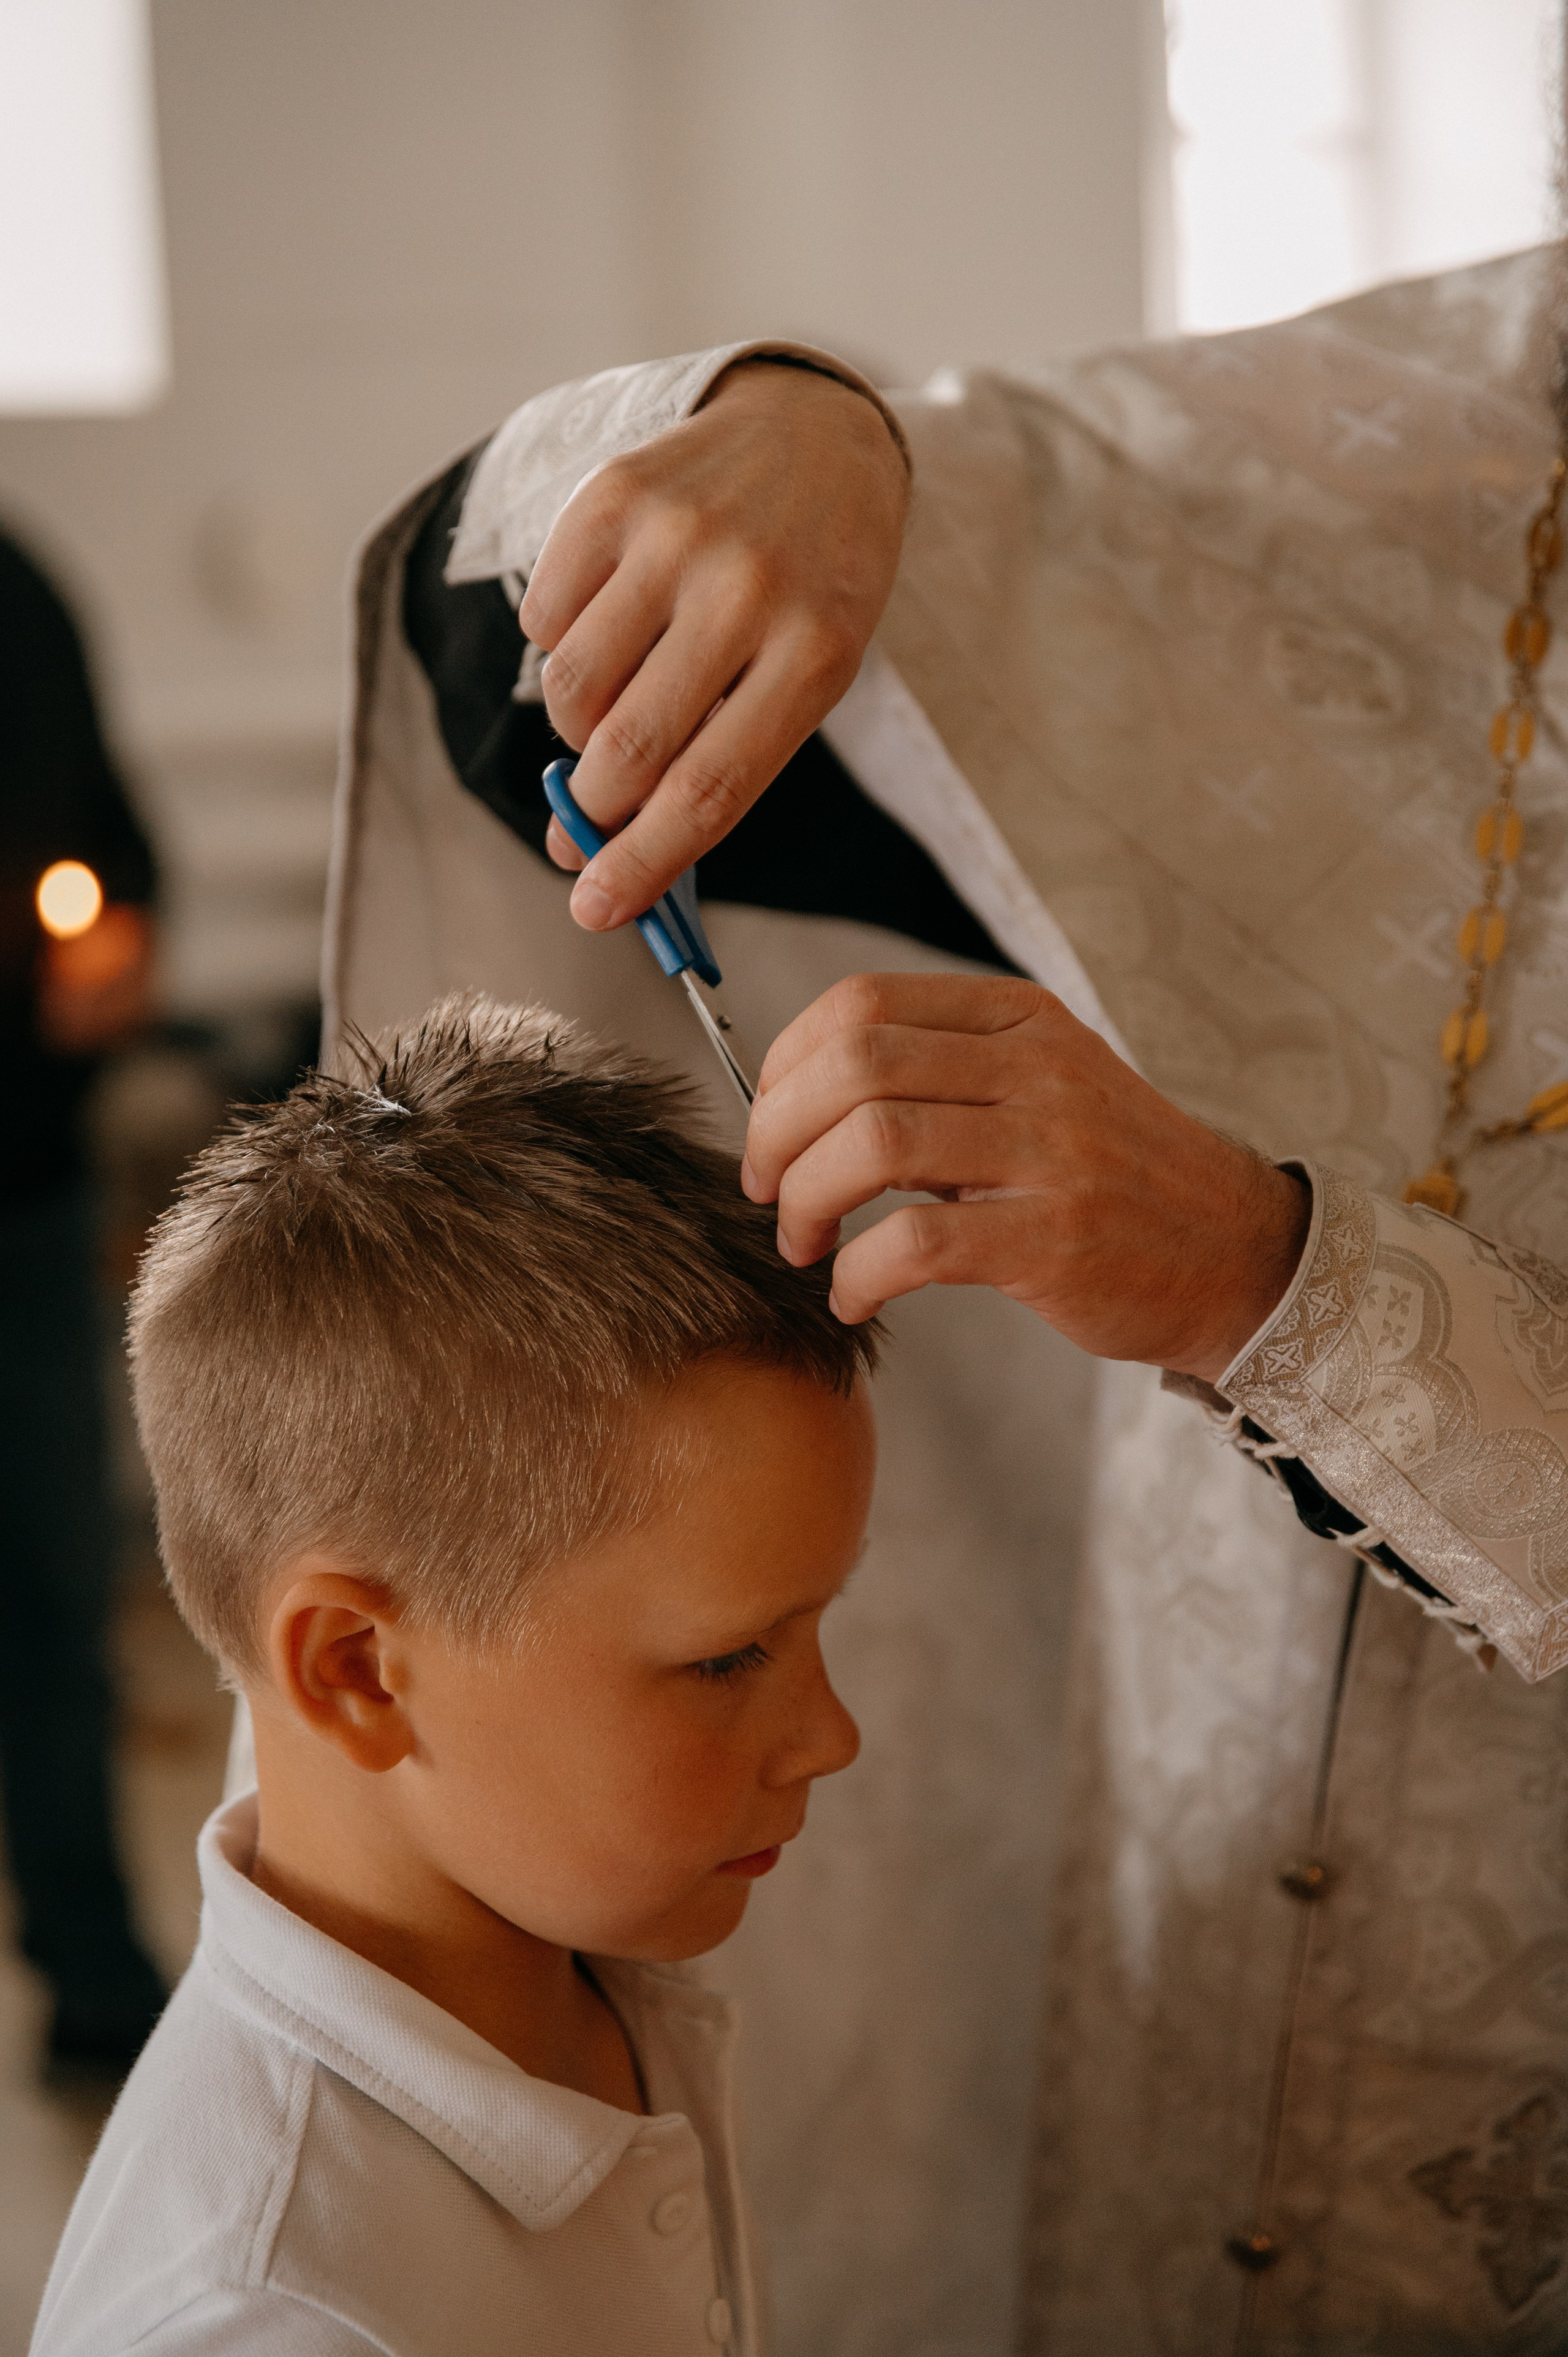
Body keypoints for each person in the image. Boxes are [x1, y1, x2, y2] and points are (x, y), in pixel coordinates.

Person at [322, 235, 1568, 2355]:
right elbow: (494, 629)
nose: (832, 1733)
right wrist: (801, 427)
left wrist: (1266, 1272)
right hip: (1161, 1925)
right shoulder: (1437, 434)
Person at [32, 992, 874, 2357]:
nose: (832, 1736)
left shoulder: (589, 1961)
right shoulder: (272, 2316)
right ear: (358, 1671)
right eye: (728, 1656)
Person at [0, 526, 165, 2082]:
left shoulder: (22, 599)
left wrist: (122, 935)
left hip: (19, 1190)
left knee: (55, 1595)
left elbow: (108, 833)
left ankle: (96, 1964)